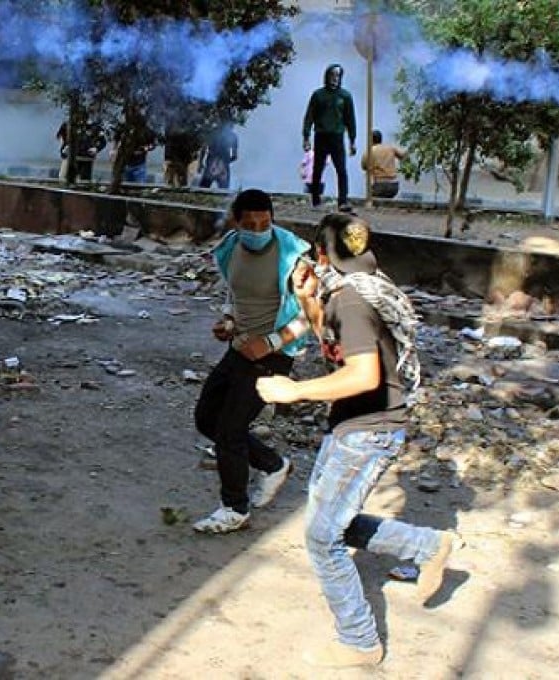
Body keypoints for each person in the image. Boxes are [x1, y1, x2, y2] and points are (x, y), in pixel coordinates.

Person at [255, 213, 453, 668]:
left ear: (322, 255)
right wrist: (308, 301)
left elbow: (361, 373)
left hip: (368, 430)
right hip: (355, 424)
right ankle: (426, 546)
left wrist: (295, 391)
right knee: (331, 522)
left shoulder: (351, 301)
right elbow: (337, 346)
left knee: (323, 538)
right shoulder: (366, 284)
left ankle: (359, 641)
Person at [192, 189, 314, 534]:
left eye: (265, 222)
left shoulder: (293, 255)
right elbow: (236, 294)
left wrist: (271, 342)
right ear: (237, 221)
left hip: (272, 356)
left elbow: (312, 316)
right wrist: (228, 321)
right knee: (206, 419)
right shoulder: (231, 248)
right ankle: (273, 464)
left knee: (230, 430)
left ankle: (235, 508)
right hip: (240, 347)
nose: (258, 229)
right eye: (251, 223)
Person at [303, 64, 357, 210]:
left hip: (337, 137)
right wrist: (306, 137)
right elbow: (309, 116)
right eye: (332, 75)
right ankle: (315, 200)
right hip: (321, 135)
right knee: (318, 168)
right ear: (327, 76)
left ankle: (343, 201)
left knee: (341, 169)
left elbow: (350, 119)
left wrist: (352, 140)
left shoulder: (345, 96)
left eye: (338, 76)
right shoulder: (318, 95)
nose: (335, 78)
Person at [362, 129, 406, 199]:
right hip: (393, 186)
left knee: (368, 173)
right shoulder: (391, 148)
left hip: (378, 186)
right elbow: (403, 155)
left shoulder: (369, 151)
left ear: (371, 140)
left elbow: (364, 167)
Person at [198, 122, 238, 189]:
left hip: (211, 165)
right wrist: (225, 162)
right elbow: (234, 156)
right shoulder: (233, 136)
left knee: (202, 190)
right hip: (223, 167)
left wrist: (201, 163)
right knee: (224, 192)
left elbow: (204, 149)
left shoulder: (212, 134)